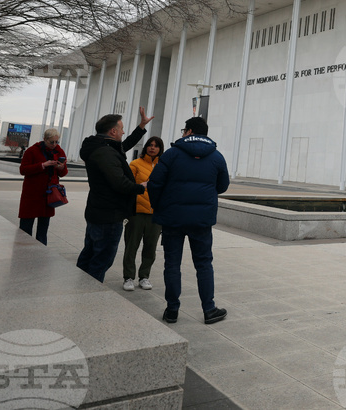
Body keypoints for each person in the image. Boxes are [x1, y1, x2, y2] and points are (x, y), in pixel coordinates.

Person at [148, 116, 230, 325]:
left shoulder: (172, 154)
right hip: (201, 221)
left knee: (172, 264)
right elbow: (222, 186)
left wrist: (159, 207)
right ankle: (209, 309)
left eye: (184, 130)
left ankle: (172, 310)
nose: (183, 133)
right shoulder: (216, 156)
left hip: (172, 219)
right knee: (204, 264)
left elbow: (154, 183)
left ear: (190, 131)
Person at [76, 107, 153, 283]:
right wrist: (140, 187)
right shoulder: (105, 152)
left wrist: (141, 126)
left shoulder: (102, 147)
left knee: (90, 253)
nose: (123, 132)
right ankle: (89, 292)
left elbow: (124, 146)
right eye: (121, 129)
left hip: (98, 210)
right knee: (101, 259)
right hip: (108, 215)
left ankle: (81, 288)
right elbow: (119, 183)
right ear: (113, 131)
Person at [123, 136, 165, 292]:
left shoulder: (164, 167)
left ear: (160, 149)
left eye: (156, 146)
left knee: (150, 248)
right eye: (150, 145)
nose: (152, 148)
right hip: (137, 213)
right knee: (131, 247)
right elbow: (128, 186)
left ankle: (144, 276)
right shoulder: (135, 164)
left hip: (156, 214)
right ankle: (128, 277)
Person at [17, 128, 68, 245]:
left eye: (56, 142)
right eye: (51, 142)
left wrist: (61, 168)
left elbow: (63, 173)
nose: (54, 145)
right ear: (44, 139)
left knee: (43, 229)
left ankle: (41, 250)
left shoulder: (59, 151)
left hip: (48, 194)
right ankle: (23, 249)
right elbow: (23, 170)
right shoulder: (32, 151)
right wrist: (43, 165)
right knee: (26, 227)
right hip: (32, 193)